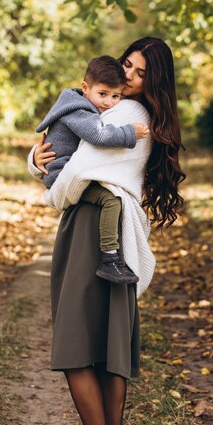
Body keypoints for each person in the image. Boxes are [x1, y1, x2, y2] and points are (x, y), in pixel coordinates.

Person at [27, 36, 185, 425]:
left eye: (140, 73)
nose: (130, 78)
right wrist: (37, 160)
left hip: (92, 227)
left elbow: (76, 172)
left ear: (155, 80)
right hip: (111, 231)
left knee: (77, 345)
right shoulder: (137, 115)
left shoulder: (126, 115)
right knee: (110, 346)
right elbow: (62, 146)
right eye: (126, 66)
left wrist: (48, 186)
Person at [34, 54, 149, 284]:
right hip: (60, 173)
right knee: (111, 200)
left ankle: (110, 257)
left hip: (62, 168)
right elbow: (97, 135)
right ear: (85, 88)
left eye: (115, 96)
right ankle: (109, 258)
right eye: (103, 95)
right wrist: (129, 133)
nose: (108, 102)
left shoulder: (86, 103)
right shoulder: (79, 109)